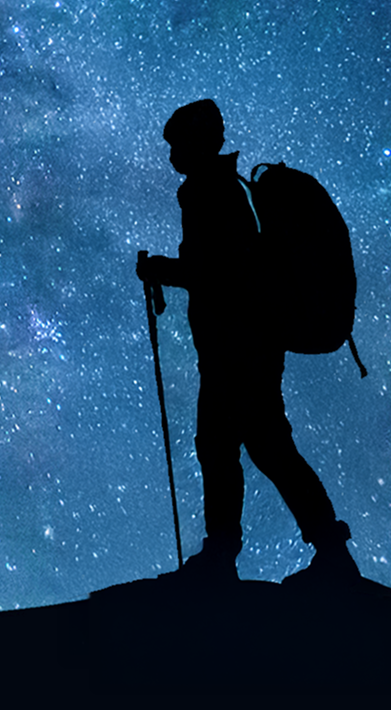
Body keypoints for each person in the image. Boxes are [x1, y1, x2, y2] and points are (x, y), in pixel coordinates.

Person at [135, 99, 358, 581]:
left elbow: (222, 271)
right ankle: (321, 551)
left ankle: (231, 556)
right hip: (248, 342)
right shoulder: (224, 187)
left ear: (197, 144)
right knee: (254, 445)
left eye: (177, 145)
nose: (172, 155)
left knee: (238, 446)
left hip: (238, 345)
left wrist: (163, 269)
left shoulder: (209, 190)